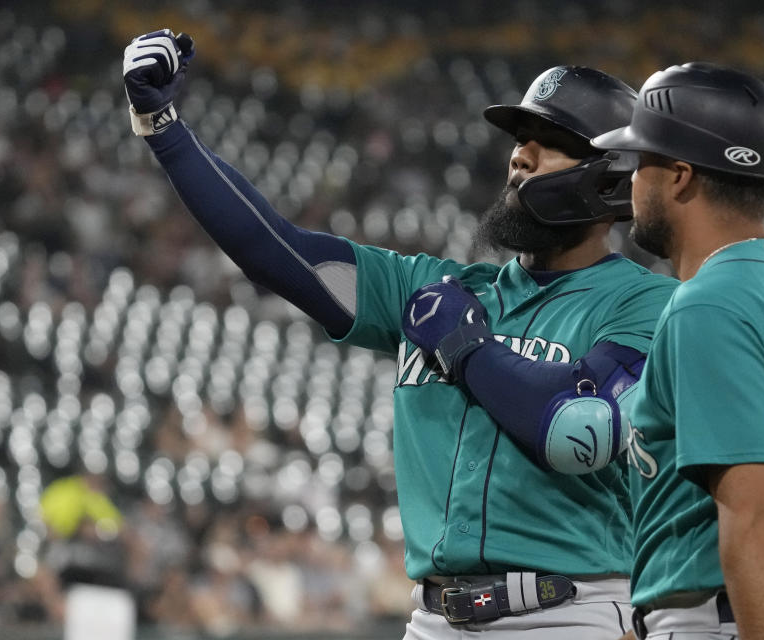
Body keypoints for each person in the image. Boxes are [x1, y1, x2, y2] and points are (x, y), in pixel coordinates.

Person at [121, 30, 678, 638]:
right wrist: (165, 128)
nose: (522, 156)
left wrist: (467, 350)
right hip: (434, 618)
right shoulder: (438, 287)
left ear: (609, 178)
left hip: (572, 614)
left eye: (553, 145)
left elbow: (582, 433)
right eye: (521, 140)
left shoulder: (647, 303)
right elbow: (277, 253)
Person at [585, 62, 764, 640]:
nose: (632, 180)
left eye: (643, 162)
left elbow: (755, 518)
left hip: (738, 621)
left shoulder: (708, 305)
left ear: (680, 177)